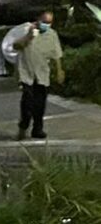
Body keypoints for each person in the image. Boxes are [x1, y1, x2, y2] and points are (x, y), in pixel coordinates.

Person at [17, 11, 64, 141]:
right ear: (38, 19)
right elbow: (16, 46)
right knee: (27, 102)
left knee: (40, 104)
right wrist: (29, 36)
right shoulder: (26, 30)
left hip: (42, 74)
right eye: (44, 21)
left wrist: (59, 71)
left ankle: (37, 129)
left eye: (49, 22)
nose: (46, 25)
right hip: (27, 73)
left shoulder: (52, 34)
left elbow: (57, 54)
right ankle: (23, 125)